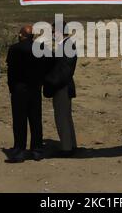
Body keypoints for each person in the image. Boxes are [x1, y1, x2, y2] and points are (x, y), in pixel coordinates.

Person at [5, 25, 47, 163]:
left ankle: (19, 149)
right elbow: (48, 65)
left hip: (19, 89)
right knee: (35, 120)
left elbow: (11, 71)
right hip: (35, 88)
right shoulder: (41, 48)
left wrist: (11, 87)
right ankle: (37, 150)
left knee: (19, 120)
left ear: (22, 35)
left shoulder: (14, 49)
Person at [44, 22, 78, 157]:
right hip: (63, 86)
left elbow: (64, 71)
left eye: (53, 32)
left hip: (62, 87)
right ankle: (70, 145)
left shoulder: (67, 45)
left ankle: (66, 148)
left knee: (62, 118)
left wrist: (51, 83)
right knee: (66, 117)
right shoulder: (64, 45)